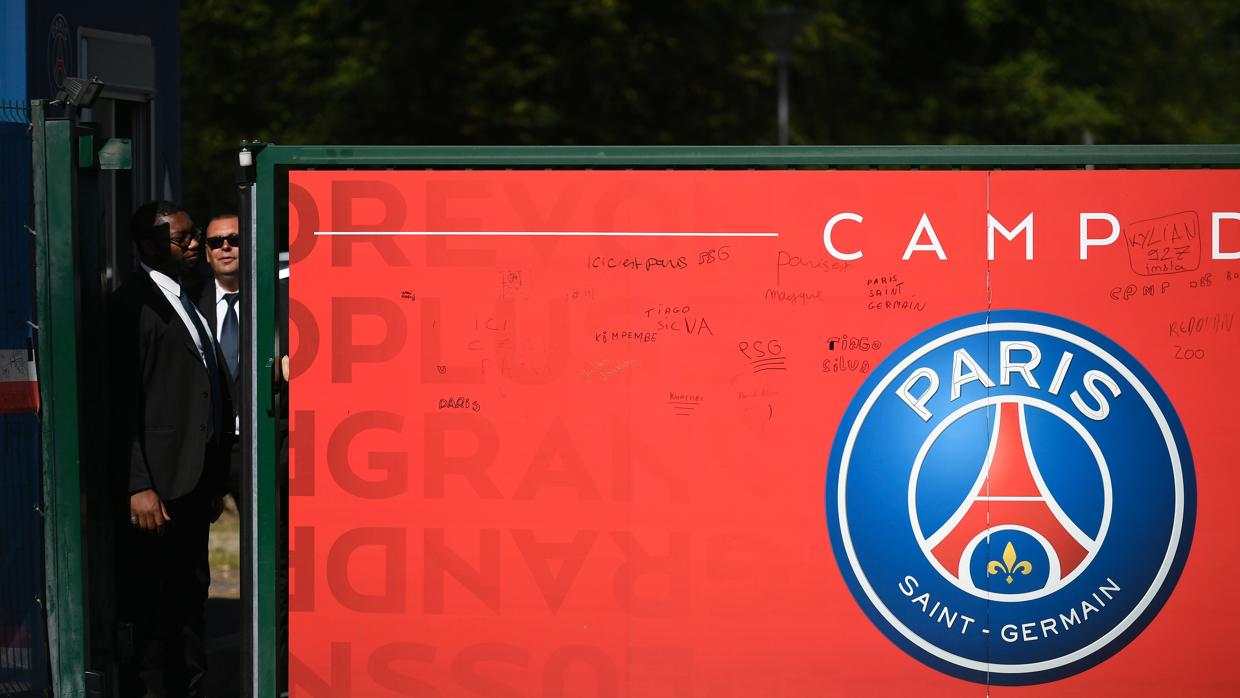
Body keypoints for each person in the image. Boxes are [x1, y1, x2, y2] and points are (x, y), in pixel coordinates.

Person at [109, 201, 230, 698]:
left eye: (194, 234)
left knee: (188, 604)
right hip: (156, 491)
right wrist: (138, 484)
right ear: (149, 248)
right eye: (183, 240)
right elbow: (119, 405)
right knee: (154, 614)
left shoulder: (188, 297)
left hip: (191, 483)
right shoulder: (133, 305)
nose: (196, 245)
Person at [195, 213, 243, 507]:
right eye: (216, 242)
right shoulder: (189, 303)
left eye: (234, 240)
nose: (225, 247)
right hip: (207, 446)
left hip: (264, 444)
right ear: (207, 254)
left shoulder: (279, 302)